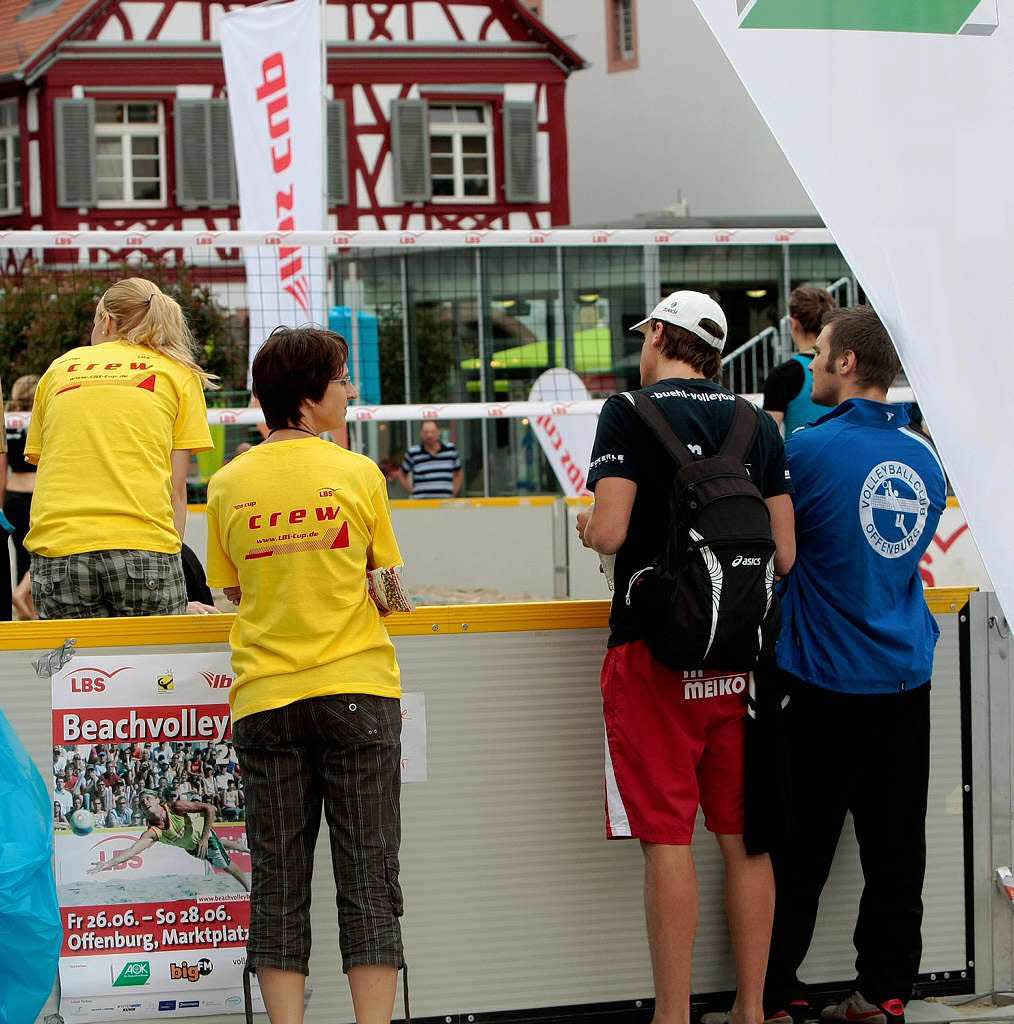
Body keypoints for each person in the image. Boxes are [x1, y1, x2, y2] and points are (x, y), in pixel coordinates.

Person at [576, 291, 796, 1024]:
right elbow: (785, 552)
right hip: (742, 661)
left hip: (654, 656)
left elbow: (609, 533)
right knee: (745, 842)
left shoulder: (627, 411)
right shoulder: (754, 423)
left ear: (664, 336)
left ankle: (671, 1017)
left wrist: (588, 527)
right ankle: (751, 1011)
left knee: (668, 840)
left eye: (648, 334)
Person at [205, 326, 407, 1024]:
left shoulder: (228, 484)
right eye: (342, 380)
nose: (350, 392)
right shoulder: (357, 474)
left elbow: (232, 592)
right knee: (369, 877)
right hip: (357, 690)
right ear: (310, 397)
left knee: (280, 883)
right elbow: (390, 591)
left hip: (265, 698)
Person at [763, 306, 946, 1024]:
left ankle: (773, 994)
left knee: (799, 853)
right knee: (897, 851)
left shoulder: (804, 452)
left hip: (822, 682)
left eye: (820, 354)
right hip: (905, 679)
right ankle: (884, 992)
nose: (809, 365)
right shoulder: (926, 460)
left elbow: (778, 553)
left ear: (845, 364)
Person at [24, 277, 215, 618]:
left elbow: (47, 473)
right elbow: (177, 492)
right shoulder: (177, 373)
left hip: (59, 549)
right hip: (144, 547)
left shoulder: (58, 369)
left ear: (107, 322)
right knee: (155, 669)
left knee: (76, 671)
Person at [89, 791, 249, 890]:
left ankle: (248, 889)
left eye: (148, 799)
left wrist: (205, 837)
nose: (145, 802)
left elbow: (210, 809)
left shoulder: (176, 807)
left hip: (202, 834)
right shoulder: (153, 832)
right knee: (213, 854)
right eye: (142, 803)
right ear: (143, 812)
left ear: (158, 800)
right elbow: (131, 852)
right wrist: (106, 864)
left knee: (224, 865)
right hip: (191, 846)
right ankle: (237, 845)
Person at [762, 286, 835, 434]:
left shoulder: (783, 375)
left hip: (800, 456)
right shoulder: (846, 367)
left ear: (793, 323)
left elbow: (767, 436)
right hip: (842, 455)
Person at [4, 374, 40, 589]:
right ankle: (26, 596)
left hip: (13, 493)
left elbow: (1, 468)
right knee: (41, 551)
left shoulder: (7, 421)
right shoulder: (44, 418)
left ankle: (19, 593)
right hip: (39, 492)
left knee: (20, 551)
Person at [396, 420, 463, 498]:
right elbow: (402, 474)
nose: (429, 435)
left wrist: (454, 493)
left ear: (438, 432)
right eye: (426, 432)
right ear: (421, 433)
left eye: (432, 432)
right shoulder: (413, 452)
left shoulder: (451, 450)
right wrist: (412, 491)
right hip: (421, 504)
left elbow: (459, 474)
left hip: (445, 502)